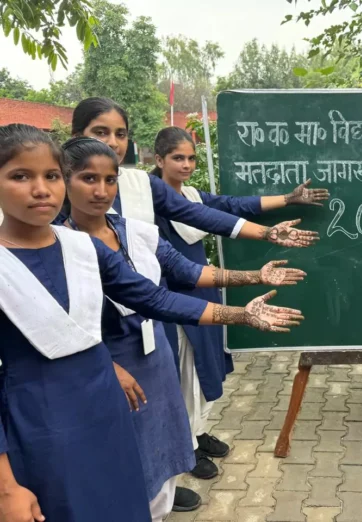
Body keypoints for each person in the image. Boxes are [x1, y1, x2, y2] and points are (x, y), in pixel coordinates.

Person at [60, 135, 306, 521]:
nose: (102, 190)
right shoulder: (59, 243)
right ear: (64, 179)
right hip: (103, 371)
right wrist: (104, 365)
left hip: (152, 357)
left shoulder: (132, 230)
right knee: (114, 468)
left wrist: (254, 279)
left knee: (160, 456)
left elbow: (182, 276)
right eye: (88, 179)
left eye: (110, 180)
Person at [151, 127, 327, 480]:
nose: (186, 165)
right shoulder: (148, 205)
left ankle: (196, 431)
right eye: (177, 158)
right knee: (184, 373)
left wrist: (288, 200)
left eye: (191, 158)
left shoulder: (191, 196)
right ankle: (184, 448)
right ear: (158, 160)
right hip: (174, 298)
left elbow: (232, 207)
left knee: (203, 372)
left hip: (204, 289)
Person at [0, 123, 149, 521]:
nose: (41, 189)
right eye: (20, 176)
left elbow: (147, 296)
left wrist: (236, 312)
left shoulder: (80, 246)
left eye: (51, 176)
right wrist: (6, 488)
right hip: (42, 426)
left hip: (105, 413)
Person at [70, 97, 319, 249]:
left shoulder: (143, 186)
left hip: (148, 309)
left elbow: (209, 211)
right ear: (77, 136)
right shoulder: (55, 192)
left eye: (121, 134)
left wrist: (271, 226)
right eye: (101, 132)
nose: (113, 143)